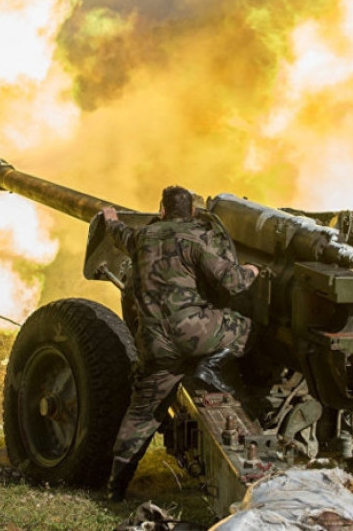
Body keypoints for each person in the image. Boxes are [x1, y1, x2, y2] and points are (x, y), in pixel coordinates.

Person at [101, 185, 259, 502]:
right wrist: (253, 270)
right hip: (196, 334)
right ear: (191, 212)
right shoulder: (194, 241)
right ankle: (208, 368)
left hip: (155, 346)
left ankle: (115, 486)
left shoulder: (141, 239)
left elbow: (119, 234)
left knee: (141, 416)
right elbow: (233, 281)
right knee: (244, 327)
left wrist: (110, 219)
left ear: (161, 210)